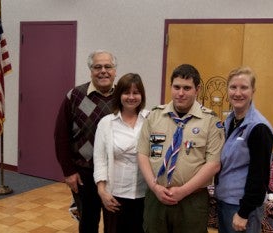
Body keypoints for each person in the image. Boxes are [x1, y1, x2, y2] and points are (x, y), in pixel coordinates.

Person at [137, 64, 225, 233]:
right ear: (171, 87)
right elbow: (142, 154)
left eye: (187, 88)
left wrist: (183, 191)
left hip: (192, 200)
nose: (181, 93)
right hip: (156, 197)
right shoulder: (155, 116)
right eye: (176, 87)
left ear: (197, 89)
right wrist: (155, 188)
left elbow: (213, 164)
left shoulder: (210, 121)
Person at [54, 49, 117, 233]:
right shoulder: (74, 96)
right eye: (98, 67)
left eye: (108, 66)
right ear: (91, 70)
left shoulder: (124, 97)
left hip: (115, 172)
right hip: (84, 173)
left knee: (115, 223)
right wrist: (68, 171)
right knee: (88, 221)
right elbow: (61, 136)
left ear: (114, 71)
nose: (103, 71)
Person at [215, 66, 273, 233]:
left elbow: (260, 175)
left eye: (244, 87)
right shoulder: (230, 120)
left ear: (253, 90)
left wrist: (244, 212)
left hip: (242, 207)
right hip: (225, 200)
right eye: (233, 87)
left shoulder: (258, 127)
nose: (238, 93)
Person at [93, 73, 149, 233]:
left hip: (144, 194)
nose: (131, 97)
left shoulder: (151, 119)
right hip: (115, 195)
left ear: (142, 95)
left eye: (136, 92)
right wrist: (102, 191)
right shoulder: (106, 123)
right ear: (119, 95)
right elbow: (100, 159)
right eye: (126, 92)